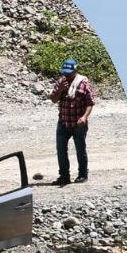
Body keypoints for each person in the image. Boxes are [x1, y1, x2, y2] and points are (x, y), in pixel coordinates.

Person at [51, 58, 94, 186]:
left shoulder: (83, 82)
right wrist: (60, 90)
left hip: (78, 124)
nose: (67, 75)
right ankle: (64, 176)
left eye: (69, 73)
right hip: (63, 122)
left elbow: (90, 103)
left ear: (75, 70)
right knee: (61, 150)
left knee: (80, 149)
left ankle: (82, 175)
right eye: (65, 73)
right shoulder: (61, 81)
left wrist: (85, 117)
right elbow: (53, 99)